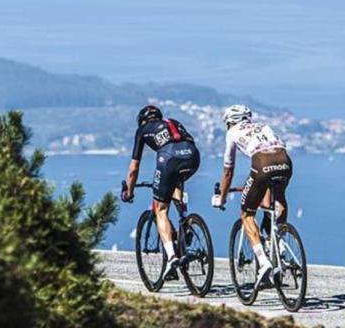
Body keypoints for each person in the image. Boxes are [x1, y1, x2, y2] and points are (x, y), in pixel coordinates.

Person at [212, 104, 293, 287]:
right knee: (278, 198)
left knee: (247, 214)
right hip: (284, 161)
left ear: (230, 121)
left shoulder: (232, 132)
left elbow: (228, 171)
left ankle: (263, 261)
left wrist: (222, 197)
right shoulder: (264, 126)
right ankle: (278, 243)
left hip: (262, 163)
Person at [121, 104, 201, 275]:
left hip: (169, 158)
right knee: (175, 182)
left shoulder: (143, 129)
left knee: (160, 209)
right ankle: (184, 219)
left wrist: (129, 191)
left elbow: (134, 168)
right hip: (193, 157)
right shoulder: (174, 122)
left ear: (142, 121)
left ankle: (172, 257)